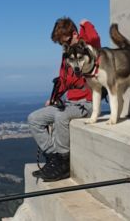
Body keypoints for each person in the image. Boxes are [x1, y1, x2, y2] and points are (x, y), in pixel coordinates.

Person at [27, 17, 101, 182]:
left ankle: (63, 162)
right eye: (61, 44)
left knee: (61, 117)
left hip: (87, 103)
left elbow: (95, 38)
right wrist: (54, 98)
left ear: (74, 34)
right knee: (34, 119)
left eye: (64, 41)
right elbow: (63, 80)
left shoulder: (88, 49)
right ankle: (53, 158)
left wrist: (85, 23)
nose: (63, 46)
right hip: (69, 102)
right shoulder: (67, 55)